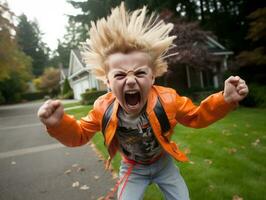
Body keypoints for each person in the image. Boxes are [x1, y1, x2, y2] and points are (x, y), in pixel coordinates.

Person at [37, 3, 249, 200]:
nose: (130, 81)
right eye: (120, 76)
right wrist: (59, 124)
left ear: (153, 77)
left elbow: (196, 117)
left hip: (163, 164)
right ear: (108, 82)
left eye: (139, 73)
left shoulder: (168, 100)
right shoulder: (103, 107)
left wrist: (225, 100)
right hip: (132, 169)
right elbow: (80, 134)